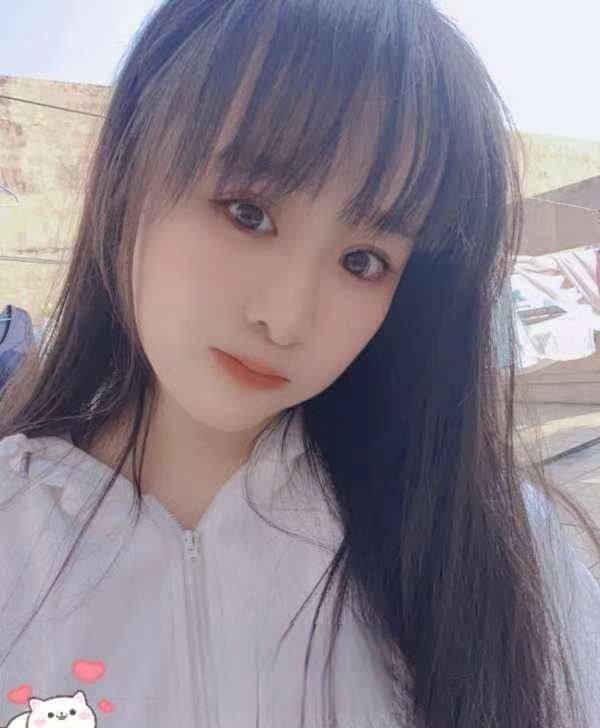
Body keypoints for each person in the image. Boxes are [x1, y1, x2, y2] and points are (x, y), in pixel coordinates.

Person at [0, 1, 598, 726]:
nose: (285, 319)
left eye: (362, 261)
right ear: (129, 170)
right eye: (248, 212)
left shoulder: (488, 545)